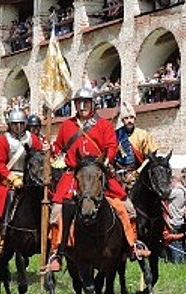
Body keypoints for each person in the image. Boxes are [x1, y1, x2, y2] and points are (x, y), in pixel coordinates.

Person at [48, 88, 150, 272]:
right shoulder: (66, 126)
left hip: (99, 174)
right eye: (79, 102)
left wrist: (106, 161)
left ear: (93, 104)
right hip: (74, 176)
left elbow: (111, 145)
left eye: (86, 102)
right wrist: (50, 150)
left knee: (128, 208)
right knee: (56, 212)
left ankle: (132, 244)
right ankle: (58, 252)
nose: (82, 106)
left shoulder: (103, 125)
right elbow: (58, 149)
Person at [0, 108, 44, 256]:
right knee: (8, 200)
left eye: (21, 124)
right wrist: (12, 178)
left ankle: (50, 237)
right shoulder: (3, 141)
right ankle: (2, 237)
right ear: (10, 124)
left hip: (31, 179)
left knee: (46, 200)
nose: (18, 127)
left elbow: (40, 158)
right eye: (15, 124)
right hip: (10, 181)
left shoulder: (33, 139)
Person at [115, 101, 158, 191]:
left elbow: (151, 156)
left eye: (131, 117)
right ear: (122, 120)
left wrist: (137, 172)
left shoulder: (143, 134)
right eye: (126, 118)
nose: (129, 120)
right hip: (119, 174)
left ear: (134, 118)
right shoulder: (116, 135)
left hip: (139, 172)